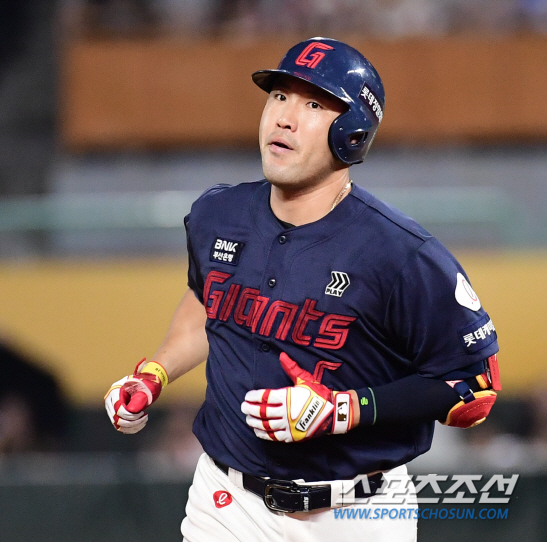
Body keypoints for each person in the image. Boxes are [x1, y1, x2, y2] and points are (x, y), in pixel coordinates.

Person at [104, 37, 501, 542]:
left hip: (358, 510)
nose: (284, 117)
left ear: (353, 131)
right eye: (279, 97)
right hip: (227, 502)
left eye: (313, 103)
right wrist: (153, 374)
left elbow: (477, 389)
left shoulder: (403, 254)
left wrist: (344, 410)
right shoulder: (216, 214)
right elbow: (209, 301)